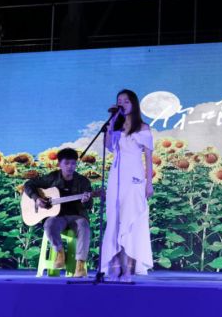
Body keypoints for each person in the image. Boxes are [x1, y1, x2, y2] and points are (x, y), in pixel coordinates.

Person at [101, 89, 154, 282]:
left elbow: (148, 157)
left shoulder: (143, 127)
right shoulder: (116, 125)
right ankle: (115, 267)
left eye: (126, 101)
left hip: (134, 178)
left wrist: (149, 183)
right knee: (114, 220)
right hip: (116, 177)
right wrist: (111, 124)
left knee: (131, 220)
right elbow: (108, 146)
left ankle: (129, 268)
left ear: (133, 104)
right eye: (119, 101)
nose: (122, 104)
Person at [23, 147, 92, 277]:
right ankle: (60, 252)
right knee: (49, 225)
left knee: (84, 226)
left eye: (73, 163)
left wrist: (86, 201)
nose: (70, 166)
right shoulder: (52, 177)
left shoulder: (83, 181)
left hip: (76, 216)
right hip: (56, 216)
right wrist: (36, 198)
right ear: (59, 164)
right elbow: (28, 185)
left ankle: (80, 265)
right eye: (67, 163)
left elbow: (89, 206)